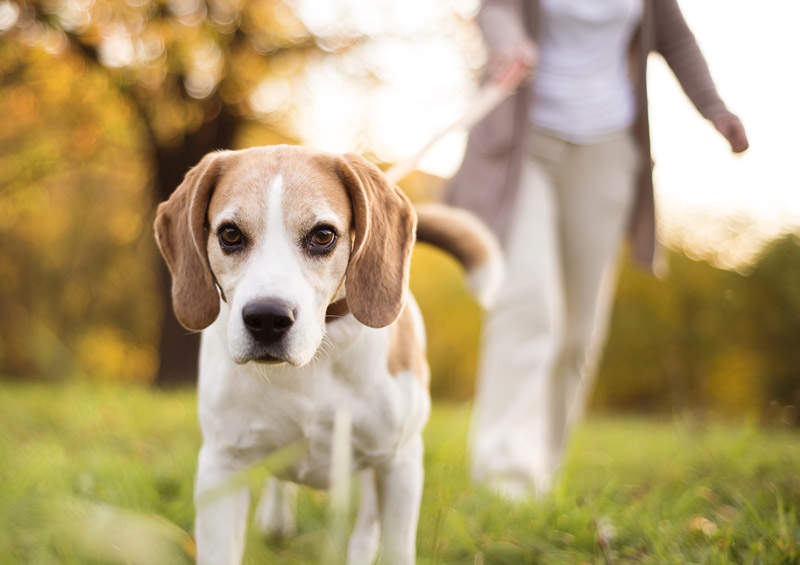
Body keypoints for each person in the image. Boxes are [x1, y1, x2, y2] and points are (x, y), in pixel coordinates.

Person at [446, 0, 749, 500]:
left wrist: (714, 108)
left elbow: (675, 39)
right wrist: (509, 42)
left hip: (607, 150)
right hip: (525, 142)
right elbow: (495, 8)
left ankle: (540, 469)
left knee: (578, 331)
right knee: (528, 305)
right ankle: (503, 478)